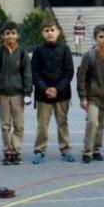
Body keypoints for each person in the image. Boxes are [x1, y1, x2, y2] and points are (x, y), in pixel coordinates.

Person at [31, 18, 75, 163]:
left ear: (58, 32)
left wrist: (57, 88)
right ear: (42, 33)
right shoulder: (37, 51)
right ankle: (39, 150)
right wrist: (45, 88)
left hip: (62, 94)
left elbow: (69, 72)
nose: (50, 33)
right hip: (43, 94)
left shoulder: (65, 49)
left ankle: (65, 149)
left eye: (52, 30)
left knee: (62, 122)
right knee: (42, 124)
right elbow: (35, 73)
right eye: (46, 31)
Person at [76, 24, 104, 163]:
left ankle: (96, 149)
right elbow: (81, 77)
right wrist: (83, 97)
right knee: (92, 122)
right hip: (92, 96)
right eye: (100, 37)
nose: (103, 40)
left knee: (102, 125)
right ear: (95, 38)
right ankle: (87, 151)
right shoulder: (89, 56)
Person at [0, 21, 33, 165]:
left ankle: (15, 150)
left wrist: (27, 92)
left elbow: (27, 73)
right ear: (3, 36)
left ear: (18, 35)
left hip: (18, 95)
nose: (11, 36)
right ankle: (7, 151)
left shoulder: (22, 53)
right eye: (7, 33)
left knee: (19, 125)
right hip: (3, 94)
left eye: (13, 33)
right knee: (5, 125)